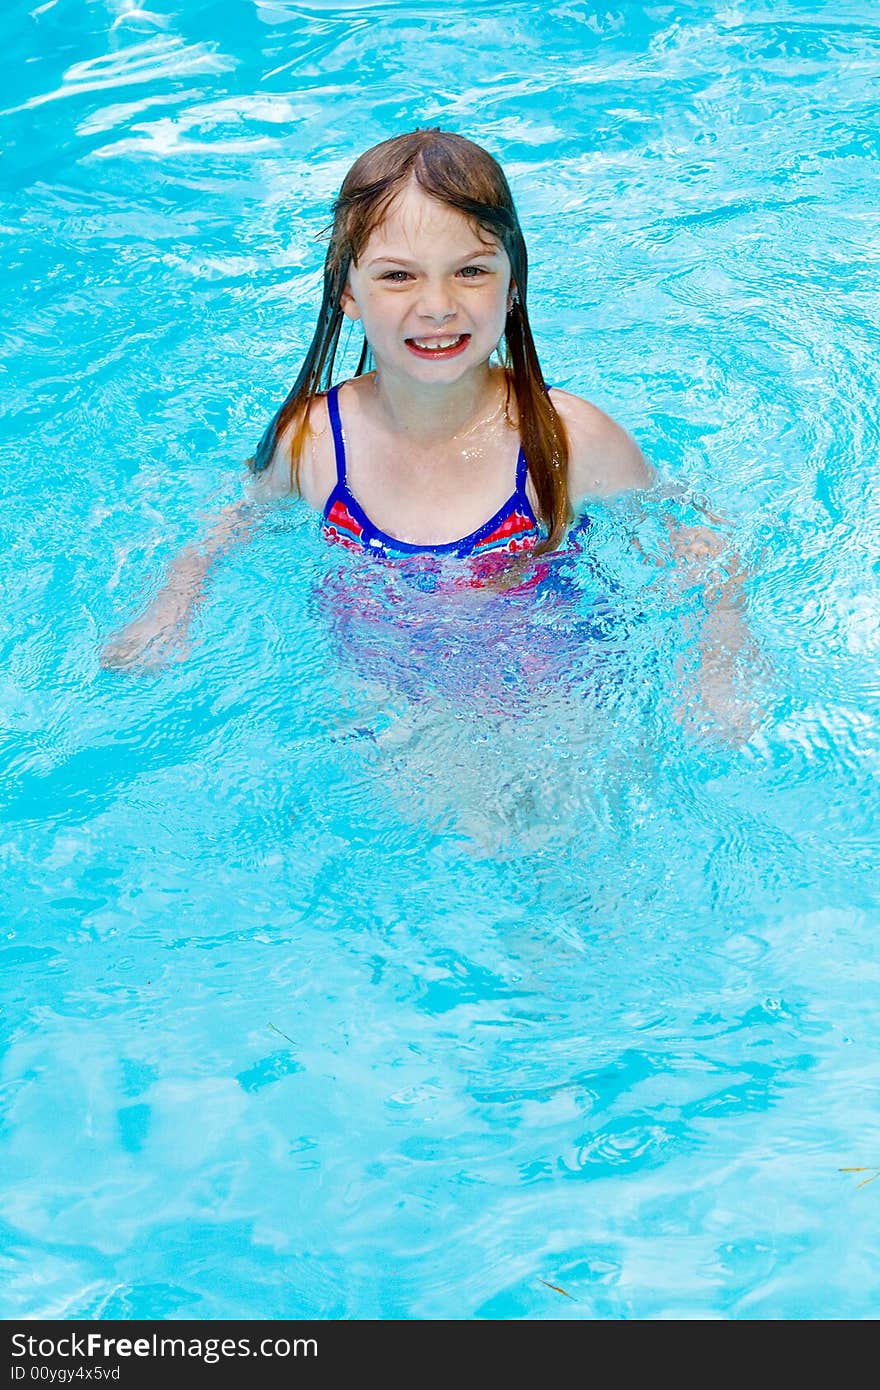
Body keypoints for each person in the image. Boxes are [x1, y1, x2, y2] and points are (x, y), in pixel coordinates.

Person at [100, 128, 752, 736]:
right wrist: (174, 601)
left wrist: (721, 657)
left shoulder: (568, 440)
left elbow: (698, 538)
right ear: (347, 293)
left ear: (513, 284)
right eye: (397, 275)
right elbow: (237, 518)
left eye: (470, 271)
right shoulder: (315, 441)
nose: (437, 305)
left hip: (557, 696)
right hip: (384, 700)